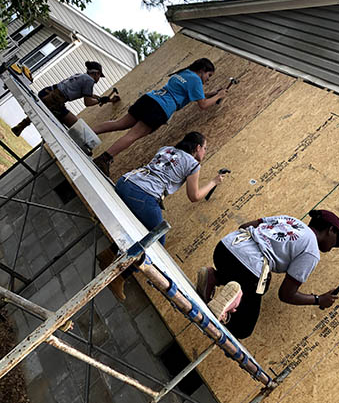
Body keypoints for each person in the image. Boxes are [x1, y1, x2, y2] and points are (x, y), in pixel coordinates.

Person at [98, 131, 227, 300]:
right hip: (142, 195)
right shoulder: (193, 164)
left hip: (125, 182)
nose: (205, 152)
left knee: (142, 227)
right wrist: (214, 182)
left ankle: (109, 253)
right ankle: (121, 277)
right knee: (157, 240)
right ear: (197, 148)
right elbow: (194, 196)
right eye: (205, 148)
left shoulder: (166, 149)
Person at [196, 209, 339, 339]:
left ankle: (214, 277)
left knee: (263, 281)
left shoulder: (290, 220)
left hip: (224, 249)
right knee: (243, 328)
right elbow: (286, 294)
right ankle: (224, 314)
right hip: (248, 269)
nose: (334, 246)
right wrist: (318, 300)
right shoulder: (311, 250)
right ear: (331, 230)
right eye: (336, 240)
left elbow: (245, 226)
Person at [93, 58, 228, 176]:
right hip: (160, 108)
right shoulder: (196, 80)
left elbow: (196, 95)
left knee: (119, 123)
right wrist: (219, 96)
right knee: (133, 135)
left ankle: (87, 132)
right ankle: (104, 159)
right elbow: (203, 105)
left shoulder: (184, 73)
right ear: (202, 70)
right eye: (208, 75)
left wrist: (212, 94)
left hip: (150, 98)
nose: (208, 80)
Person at [11, 61, 119, 136]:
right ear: (97, 73)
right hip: (55, 99)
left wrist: (107, 99)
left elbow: (89, 95)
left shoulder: (81, 76)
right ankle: (81, 148)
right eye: (100, 76)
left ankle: (20, 126)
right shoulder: (89, 81)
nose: (99, 78)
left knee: (48, 110)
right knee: (77, 126)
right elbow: (88, 102)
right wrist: (100, 100)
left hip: (48, 92)